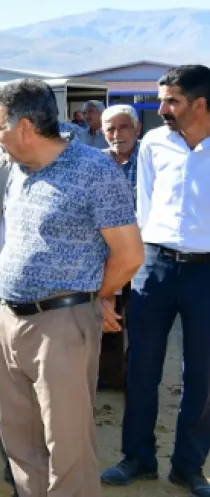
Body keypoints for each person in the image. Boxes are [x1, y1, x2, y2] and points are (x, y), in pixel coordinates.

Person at [0, 78, 142, 497]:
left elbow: (129, 255)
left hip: (62, 323)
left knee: (68, 445)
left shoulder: (93, 170)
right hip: (9, 317)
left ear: (25, 126)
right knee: (21, 441)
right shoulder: (12, 168)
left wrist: (95, 296)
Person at [101, 65, 210, 497]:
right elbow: (141, 207)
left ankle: (189, 466)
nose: (161, 109)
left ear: (200, 104)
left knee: (202, 373)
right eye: (162, 99)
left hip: (206, 272)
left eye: (171, 101)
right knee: (141, 367)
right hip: (155, 266)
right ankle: (137, 458)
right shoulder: (155, 145)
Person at [96, 104, 141, 391]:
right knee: (107, 319)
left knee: (138, 319)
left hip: (140, 254)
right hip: (102, 254)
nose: (117, 134)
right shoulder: (95, 162)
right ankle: (109, 376)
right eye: (110, 129)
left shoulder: (148, 159)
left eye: (123, 126)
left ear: (137, 129)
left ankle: (134, 375)